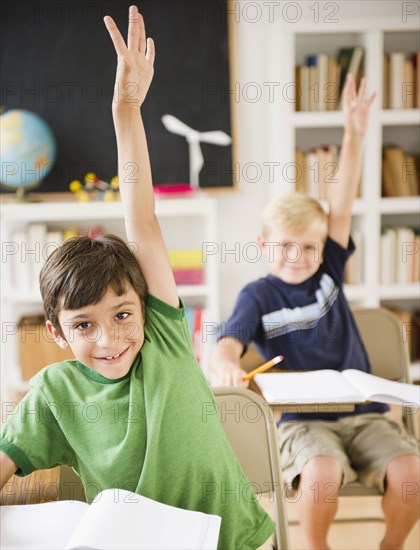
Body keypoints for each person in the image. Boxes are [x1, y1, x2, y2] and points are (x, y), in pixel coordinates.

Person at [0, 7, 275, 549]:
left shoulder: (166, 340)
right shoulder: (55, 392)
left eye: (123, 315)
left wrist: (126, 113)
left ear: (145, 309)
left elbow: (141, 222)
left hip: (238, 542)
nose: (110, 339)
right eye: (83, 326)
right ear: (56, 333)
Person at [211, 74, 420, 550]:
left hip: (365, 415)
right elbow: (227, 344)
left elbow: (340, 204)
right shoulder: (258, 295)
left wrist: (355, 134)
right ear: (264, 245)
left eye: (308, 246)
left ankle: (392, 544)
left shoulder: (328, 267)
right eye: (284, 246)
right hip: (303, 422)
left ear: (323, 246)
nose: (297, 256)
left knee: (410, 472)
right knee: (321, 476)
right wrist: (223, 362)